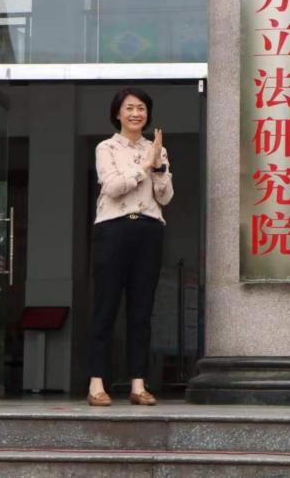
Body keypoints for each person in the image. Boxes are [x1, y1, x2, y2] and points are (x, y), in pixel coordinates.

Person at [87, 88, 173, 407]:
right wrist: (144, 167)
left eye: (141, 108)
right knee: (106, 306)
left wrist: (159, 169)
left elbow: (165, 197)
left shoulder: (157, 150)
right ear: (117, 113)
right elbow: (112, 187)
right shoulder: (106, 148)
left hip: (149, 229)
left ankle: (138, 384)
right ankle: (97, 382)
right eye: (129, 108)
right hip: (113, 228)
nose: (136, 113)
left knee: (142, 310)